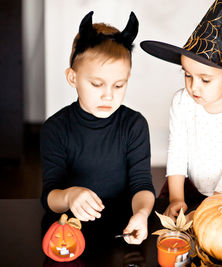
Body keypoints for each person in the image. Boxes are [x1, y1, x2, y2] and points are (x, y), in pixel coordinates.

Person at [140, 0, 222, 220]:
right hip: (189, 182)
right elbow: (177, 150)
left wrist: (209, 210)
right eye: (187, 75)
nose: (194, 86)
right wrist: (176, 197)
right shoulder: (183, 102)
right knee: (170, 222)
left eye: (205, 79)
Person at [40, 11, 155, 245]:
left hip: (126, 226)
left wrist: (141, 214)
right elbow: (49, 196)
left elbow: (142, 185)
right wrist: (70, 195)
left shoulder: (134, 125)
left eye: (119, 85)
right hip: (70, 230)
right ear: (73, 78)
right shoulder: (55, 128)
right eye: (96, 84)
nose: (108, 95)